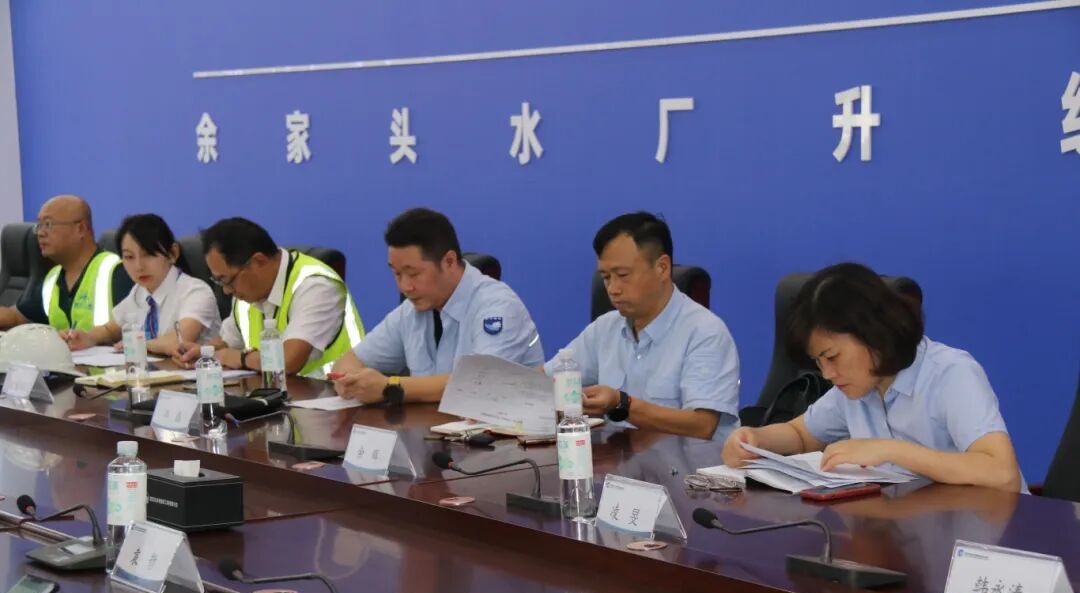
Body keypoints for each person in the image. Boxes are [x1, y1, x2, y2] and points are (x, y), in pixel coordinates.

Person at [722, 262, 1023, 492]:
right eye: (818, 362)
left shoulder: (950, 374)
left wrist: (890, 450)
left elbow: (1001, 472)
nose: (827, 374)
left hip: (991, 540)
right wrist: (755, 439)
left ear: (872, 334)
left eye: (832, 357)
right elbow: (801, 434)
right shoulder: (856, 388)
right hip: (915, 530)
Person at [543, 212, 740, 441]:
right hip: (619, 459)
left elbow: (702, 425)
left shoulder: (705, 332)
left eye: (622, 275)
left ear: (662, 268)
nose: (613, 289)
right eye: (606, 277)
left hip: (689, 462)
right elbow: (544, 381)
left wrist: (622, 404)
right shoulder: (605, 328)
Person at [332, 208, 543, 404]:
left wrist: (390, 387)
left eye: (413, 274)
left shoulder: (497, 306)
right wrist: (350, 380)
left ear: (449, 261)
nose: (405, 287)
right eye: (397, 274)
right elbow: (349, 361)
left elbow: (481, 384)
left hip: (506, 429)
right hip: (434, 429)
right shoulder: (411, 310)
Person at [174, 218, 364, 377]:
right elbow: (227, 342)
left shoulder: (315, 285)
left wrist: (240, 358)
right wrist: (203, 352)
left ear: (258, 261)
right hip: (280, 397)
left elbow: (287, 361)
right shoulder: (247, 293)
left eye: (227, 280)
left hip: (334, 398)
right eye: (218, 281)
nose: (226, 291)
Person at [60, 214, 220, 356]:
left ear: (173, 253)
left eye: (148, 255)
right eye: (129, 257)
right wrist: (87, 338)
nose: (138, 266)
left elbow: (178, 341)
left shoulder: (196, 292)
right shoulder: (140, 291)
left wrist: (138, 344)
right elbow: (111, 329)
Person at [0, 195, 132, 331]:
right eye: (39, 225)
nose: (40, 233)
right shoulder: (53, 278)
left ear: (80, 229)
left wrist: (93, 338)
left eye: (48, 224)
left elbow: (134, 327)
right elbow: (17, 317)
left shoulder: (117, 271)